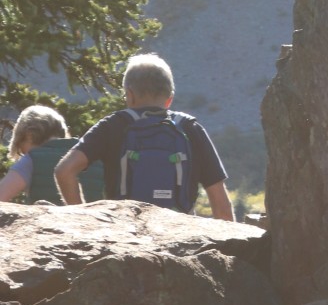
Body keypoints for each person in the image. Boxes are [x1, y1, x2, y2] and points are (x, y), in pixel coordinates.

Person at [55, 53, 235, 220]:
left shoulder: (112, 126)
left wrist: (82, 221)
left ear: (129, 95)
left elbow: (64, 171)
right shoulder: (190, 128)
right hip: (179, 239)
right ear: (169, 99)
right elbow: (221, 204)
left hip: (124, 236)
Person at [0, 104, 104, 204]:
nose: (23, 154)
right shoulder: (94, 157)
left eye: (21, 149)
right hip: (93, 221)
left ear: (29, 135)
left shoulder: (31, 160)